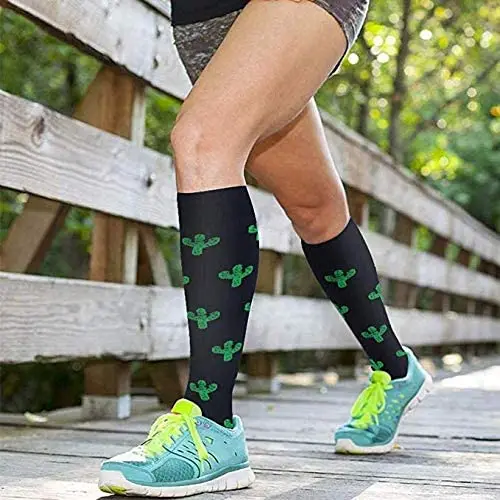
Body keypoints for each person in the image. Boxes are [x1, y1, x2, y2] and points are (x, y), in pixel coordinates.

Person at [98, 0, 433, 496]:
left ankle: (211, 422)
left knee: (203, 141)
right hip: (207, 24)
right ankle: (397, 369)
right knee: (316, 209)